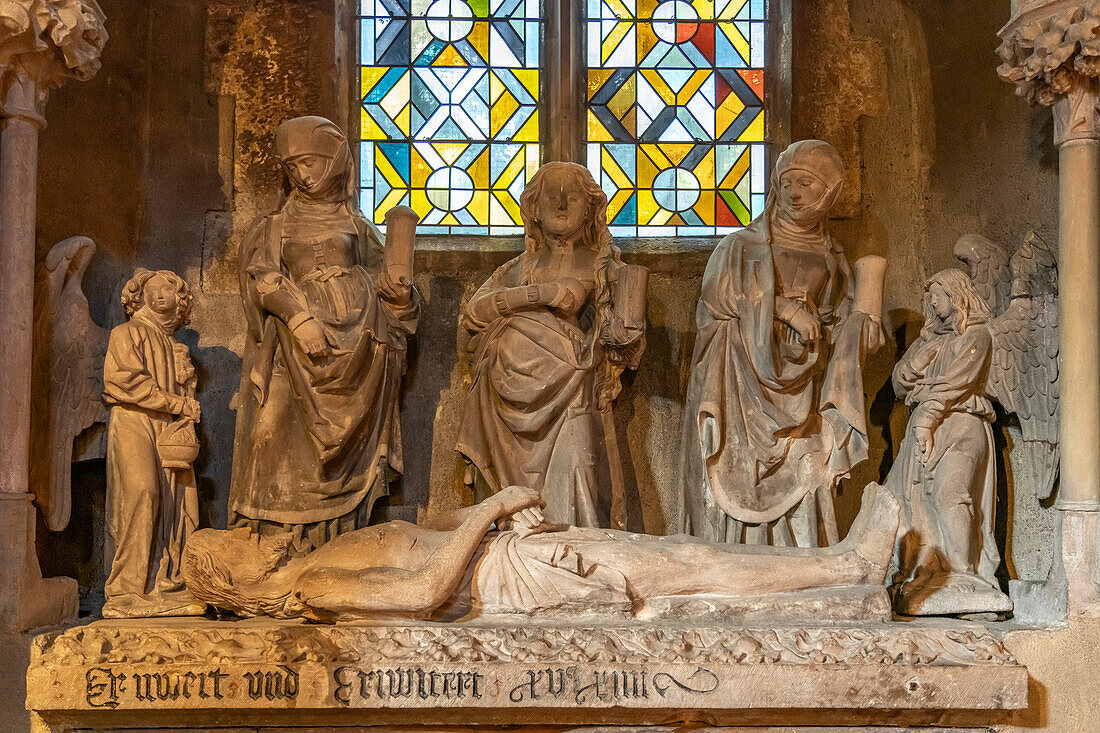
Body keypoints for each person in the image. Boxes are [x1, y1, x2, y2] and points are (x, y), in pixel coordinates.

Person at [182, 484, 900, 623]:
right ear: (235, 579)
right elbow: (424, 592)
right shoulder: (314, 589)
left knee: (681, 555)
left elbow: (428, 532)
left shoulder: (320, 554)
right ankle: (849, 567)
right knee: (685, 569)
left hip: (509, 551)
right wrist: (493, 511)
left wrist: (487, 509)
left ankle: (841, 561)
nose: (254, 532)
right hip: (509, 581)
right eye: (238, 542)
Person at [229, 116, 420, 555]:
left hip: (357, 349)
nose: (302, 173)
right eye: (292, 166)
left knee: (342, 450)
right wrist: (299, 319)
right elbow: (263, 277)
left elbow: (392, 287)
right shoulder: (273, 225)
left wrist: (399, 297)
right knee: (270, 431)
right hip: (293, 345)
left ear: (335, 162)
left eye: (311, 162)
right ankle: (273, 544)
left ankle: (333, 543)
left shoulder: (356, 225)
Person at [680, 140, 884, 547]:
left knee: (809, 465)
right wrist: (782, 311)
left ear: (831, 190)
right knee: (734, 471)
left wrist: (861, 329)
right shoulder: (740, 247)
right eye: (786, 182)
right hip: (741, 385)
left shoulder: (833, 257)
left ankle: (802, 567)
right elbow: (715, 303)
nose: (794, 193)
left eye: (806, 183)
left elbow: (837, 322)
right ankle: (735, 566)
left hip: (803, 387)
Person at [456, 162, 645, 527]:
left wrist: (622, 340)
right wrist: (542, 294)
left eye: (572, 196)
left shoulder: (605, 268)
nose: (560, 204)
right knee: (510, 504)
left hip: (575, 396)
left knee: (579, 469)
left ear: (590, 208)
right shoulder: (517, 270)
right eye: (550, 196)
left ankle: (578, 564)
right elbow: (474, 316)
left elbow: (623, 341)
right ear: (534, 210)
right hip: (506, 404)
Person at [884, 269, 1011, 616]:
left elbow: (956, 383)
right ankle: (927, 571)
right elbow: (899, 384)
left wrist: (926, 416)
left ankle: (964, 573)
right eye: (931, 297)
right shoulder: (930, 340)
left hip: (960, 424)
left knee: (950, 494)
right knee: (913, 501)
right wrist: (918, 361)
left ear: (956, 295)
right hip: (925, 429)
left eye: (939, 295)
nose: (933, 302)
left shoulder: (977, 335)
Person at [102, 268, 205, 618]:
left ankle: (164, 583)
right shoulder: (126, 333)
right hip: (133, 420)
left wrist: (186, 382)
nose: (163, 295)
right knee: (143, 492)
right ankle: (125, 590)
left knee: (172, 506)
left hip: (167, 428)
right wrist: (178, 402)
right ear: (139, 296)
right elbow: (124, 381)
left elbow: (182, 398)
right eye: (155, 288)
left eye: (171, 291)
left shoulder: (174, 345)